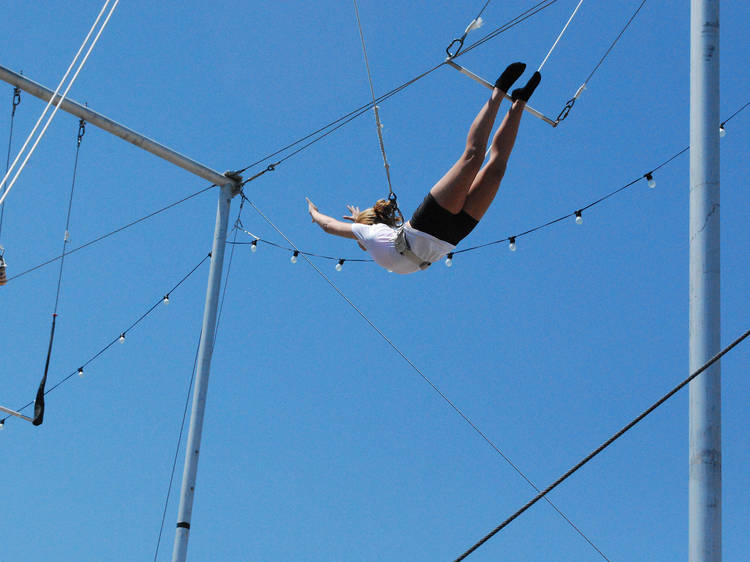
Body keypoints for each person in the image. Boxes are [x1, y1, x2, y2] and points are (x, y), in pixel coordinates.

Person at [306, 62, 540, 274]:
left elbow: (329, 227)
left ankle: (498, 92)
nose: (360, 247)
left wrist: (314, 214)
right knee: (496, 172)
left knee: (473, 158)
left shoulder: (365, 234)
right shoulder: (380, 234)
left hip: (427, 225)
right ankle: (519, 103)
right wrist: (359, 216)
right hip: (452, 237)